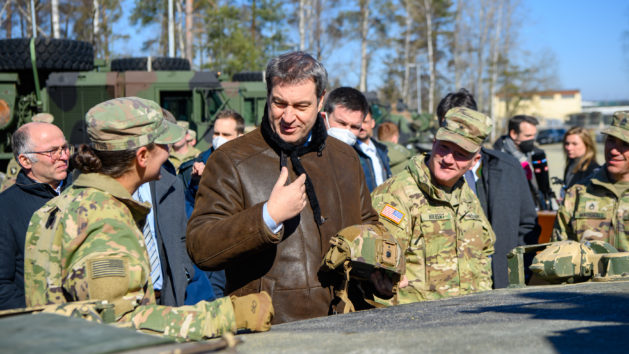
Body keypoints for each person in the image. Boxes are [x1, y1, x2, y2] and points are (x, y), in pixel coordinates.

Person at [24, 97, 273, 340]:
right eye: (163, 144)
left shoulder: (60, 207)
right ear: (142, 156)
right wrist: (229, 315)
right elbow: (120, 326)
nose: (169, 151)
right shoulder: (106, 223)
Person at [186, 52, 389, 324]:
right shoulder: (230, 160)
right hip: (272, 329)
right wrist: (266, 217)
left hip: (346, 323)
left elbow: (367, 221)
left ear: (320, 101)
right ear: (268, 96)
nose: (288, 116)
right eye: (279, 103)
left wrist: (380, 266)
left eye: (301, 106)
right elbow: (201, 247)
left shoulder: (345, 158)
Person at [371, 107, 495, 303]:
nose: (448, 159)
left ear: (474, 161)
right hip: (418, 325)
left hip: (471, 321)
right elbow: (379, 276)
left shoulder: (467, 197)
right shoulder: (396, 195)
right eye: (444, 147)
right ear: (434, 143)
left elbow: (485, 252)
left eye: (460, 154)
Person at [436, 89, 540, 289]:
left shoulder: (508, 168)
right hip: (448, 290)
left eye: (465, 126)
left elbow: (527, 225)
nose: (458, 134)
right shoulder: (431, 173)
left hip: (501, 284)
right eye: (450, 126)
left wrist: (515, 272)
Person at [0, 122, 70, 310]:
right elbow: (2, 286)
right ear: (25, 161)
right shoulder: (6, 207)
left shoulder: (84, 192)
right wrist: (40, 317)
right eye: (52, 152)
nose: (63, 156)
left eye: (65, 148)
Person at [553, 111, 629, 252]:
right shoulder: (577, 193)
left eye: (624, 144)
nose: (613, 150)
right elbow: (557, 256)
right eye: (611, 140)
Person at [494, 114, 550, 209]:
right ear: (513, 134)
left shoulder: (536, 154)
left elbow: (542, 186)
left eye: (534, 135)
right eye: (528, 136)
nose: (532, 140)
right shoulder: (496, 157)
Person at [355, 108, 392, 191]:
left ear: (372, 123)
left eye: (365, 122)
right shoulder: (350, 151)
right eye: (358, 123)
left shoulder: (381, 150)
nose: (362, 127)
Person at [561, 126, 600, 194]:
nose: (569, 148)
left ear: (587, 145)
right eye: (567, 143)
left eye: (574, 144)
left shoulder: (593, 171)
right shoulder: (571, 164)